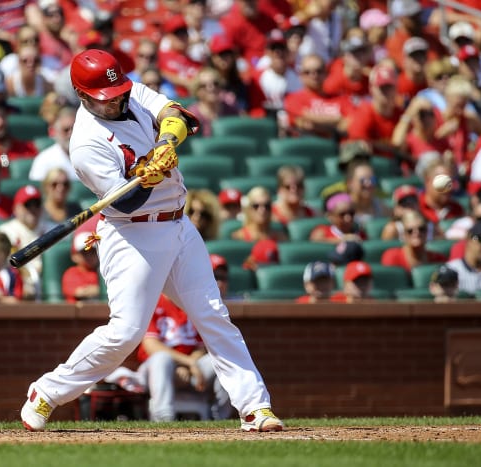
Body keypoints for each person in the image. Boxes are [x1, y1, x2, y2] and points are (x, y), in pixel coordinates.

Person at [20, 49, 284, 432]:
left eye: (118, 92)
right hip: (133, 235)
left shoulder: (129, 91)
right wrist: (150, 174)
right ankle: (46, 392)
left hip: (178, 225)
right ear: (83, 96)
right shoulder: (85, 144)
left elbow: (178, 116)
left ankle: (254, 407)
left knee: (213, 314)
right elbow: (127, 202)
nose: (117, 101)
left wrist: (166, 143)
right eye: (105, 99)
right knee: (125, 333)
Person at [102, 252, 235, 422]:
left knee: (220, 358)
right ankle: (163, 418)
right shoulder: (151, 302)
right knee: (162, 359)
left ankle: (221, 418)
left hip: (192, 371)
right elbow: (151, 346)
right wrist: (187, 362)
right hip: (157, 370)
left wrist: (190, 365)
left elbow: (201, 346)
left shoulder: (194, 304)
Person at [0, 185, 48, 300]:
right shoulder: (5, 232)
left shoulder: (52, 229)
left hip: (46, 285)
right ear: (16, 208)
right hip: (17, 288)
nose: (33, 209)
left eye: (36, 204)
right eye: (28, 205)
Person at [380, 211, 447, 273]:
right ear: (404, 234)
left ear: (427, 232)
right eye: (410, 231)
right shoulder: (392, 257)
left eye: (421, 229)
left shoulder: (438, 259)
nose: (417, 233)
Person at [29, 106, 78, 182]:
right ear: (56, 132)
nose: (71, 134)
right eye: (66, 130)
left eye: (74, 129)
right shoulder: (43, 160)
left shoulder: (90, 155)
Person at [61, 228, 100, 304]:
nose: (89, 256)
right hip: (75, 314)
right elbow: (79, 292)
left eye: (92, 252)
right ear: (75, 256)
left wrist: (98, 290)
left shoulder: (102, 272)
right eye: (85, 253)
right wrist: (98, 290)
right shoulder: (71, 273)